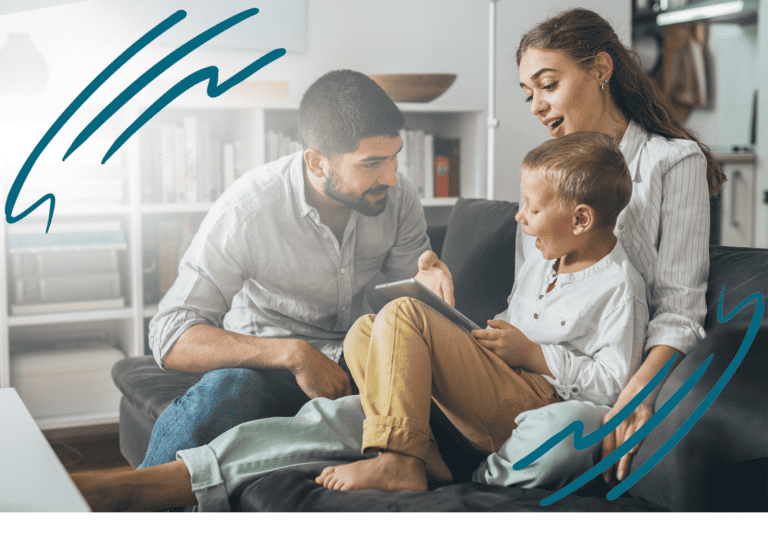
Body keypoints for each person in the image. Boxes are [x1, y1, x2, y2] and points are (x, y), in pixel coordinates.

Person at [73, 131, 648, 510]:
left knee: (399, 316)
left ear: (579, 218)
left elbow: (613, 385)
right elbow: (512, 324)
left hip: (532, 398)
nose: (519, 217)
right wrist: (471, 327)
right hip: (484, 394)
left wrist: (534, 354)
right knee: (364, 339)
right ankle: (153, 486)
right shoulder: (546, 255)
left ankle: (399, 458)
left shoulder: (618, 284)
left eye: (532, 208)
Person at [138, 69, 454, 468]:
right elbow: (169, 334)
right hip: (269, 367)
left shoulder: (398, 196)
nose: (391, 177)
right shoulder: (248, 209)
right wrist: (293, 353)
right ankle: (138, 503)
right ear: (318, 163)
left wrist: (430, 291)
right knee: (229, 388)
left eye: (395, 158)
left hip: (360, 362)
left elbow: (409, 300)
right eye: (372, 163)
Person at [474, 7, 724, 487]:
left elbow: (679, 309)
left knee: (561, 432)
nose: (536, 106)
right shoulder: (548, 172)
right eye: (529, 94)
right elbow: (525, 299)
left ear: (601, 69)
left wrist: (638, 391)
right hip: (522, 374)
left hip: (590, 383)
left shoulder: (672, 161)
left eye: (549, 85)